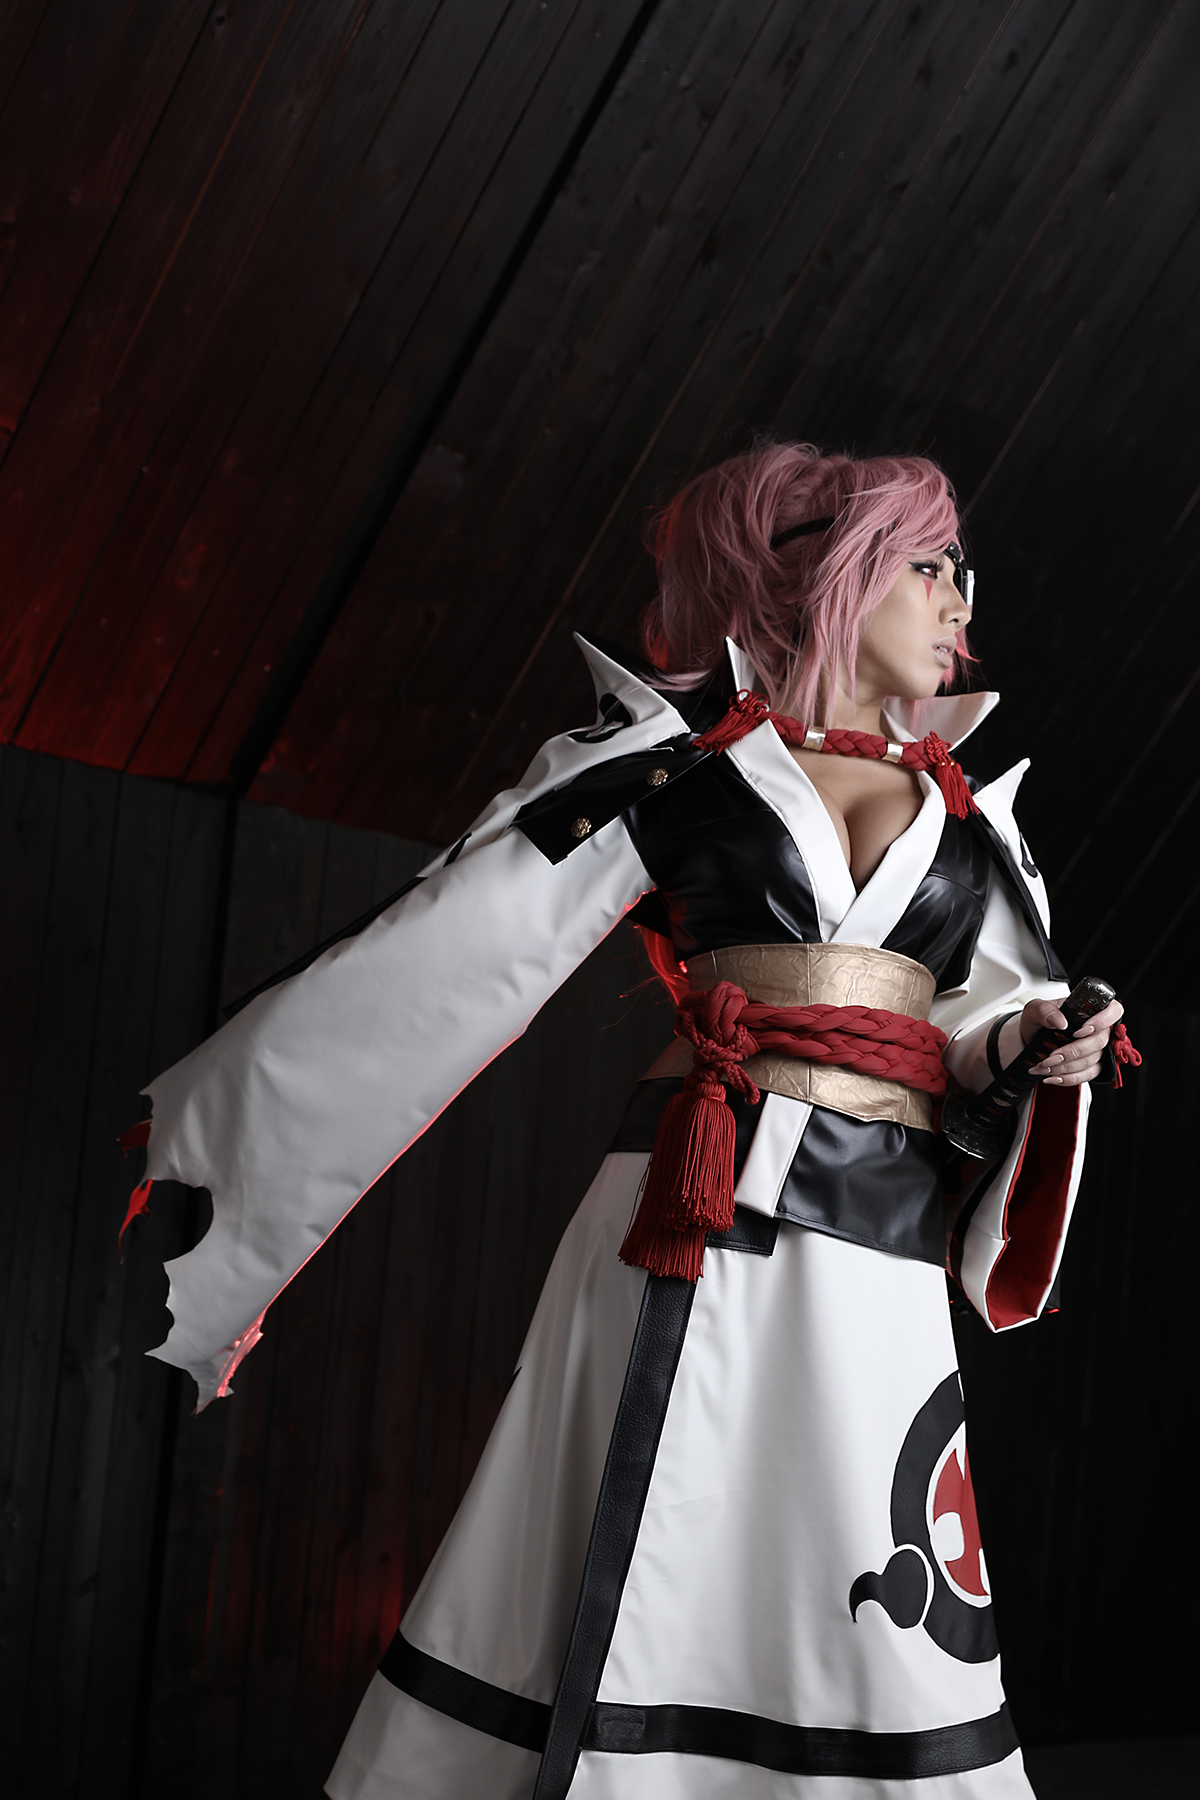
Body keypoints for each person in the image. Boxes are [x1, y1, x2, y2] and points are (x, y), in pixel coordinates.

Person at [136, 442, 1128, 1799]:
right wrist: (240, 1125)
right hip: (684, 1208)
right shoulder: (678, 765)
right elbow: (458, 947)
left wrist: (1034, 1046)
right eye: (928, 564)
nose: (961, 600)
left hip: (876, 1232)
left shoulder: (970, 820)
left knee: (864, 1544)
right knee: (636, 1517)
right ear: (832, 578)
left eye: (964, 571)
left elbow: (979, 1032)